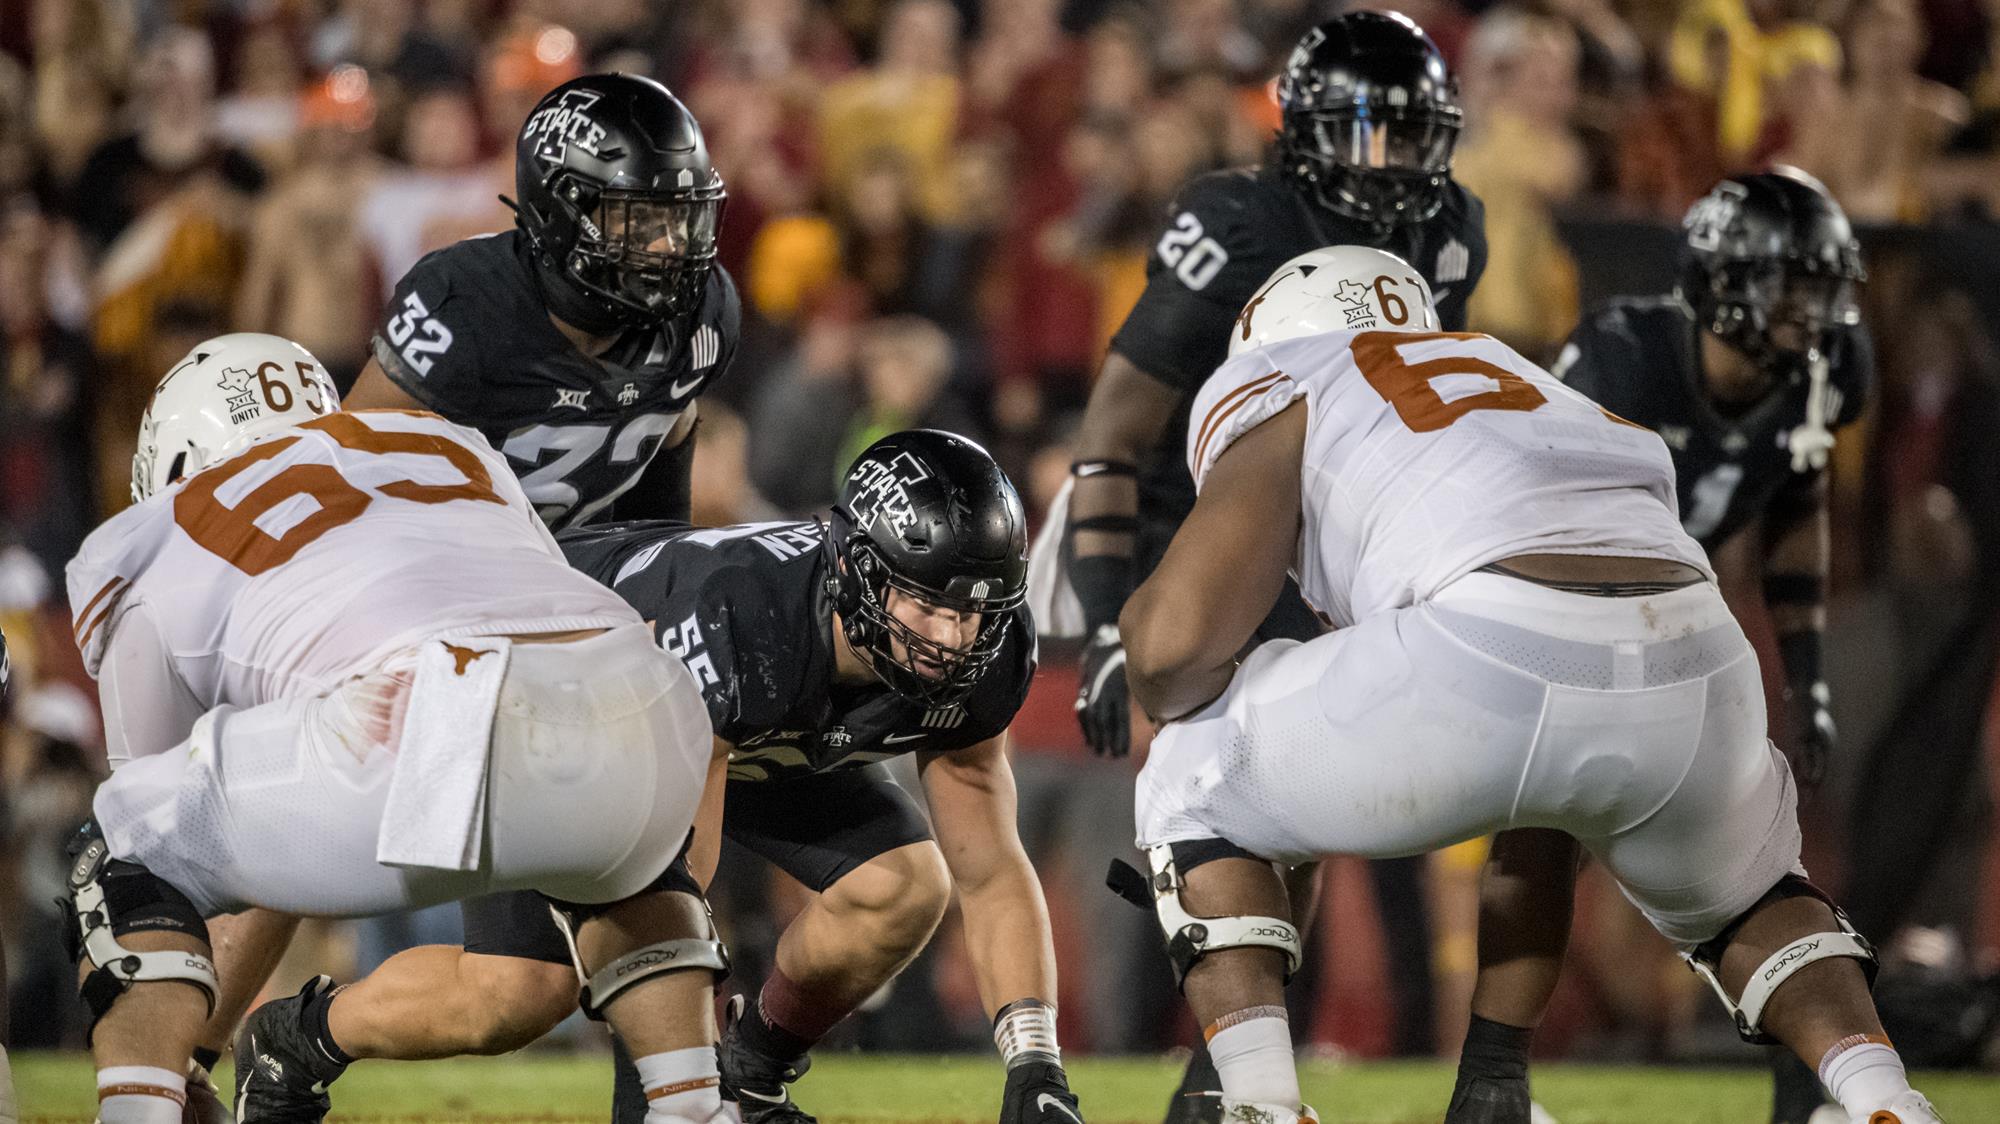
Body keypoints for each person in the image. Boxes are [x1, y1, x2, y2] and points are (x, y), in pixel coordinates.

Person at [1114, 245, 1942, 1124]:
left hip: (1493, 636)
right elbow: (1550, 794)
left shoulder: (1292, 371)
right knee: (1755, 898)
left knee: (1189, 769)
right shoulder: (1528, 377)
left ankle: (1259, 1104)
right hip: (1698, 652)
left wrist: (1182, 698)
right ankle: (1883, 1097)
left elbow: (1172, 649)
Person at [254, 431, 1085, 1124]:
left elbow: (992, 864)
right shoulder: (744, 616)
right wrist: (670, 1073)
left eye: (973, 610)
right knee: (515, 994)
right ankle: (300, 1038)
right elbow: (675, 880)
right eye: (927, 605)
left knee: (904, 886)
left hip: (733, 729)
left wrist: (1034, 1064)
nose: (952, 636)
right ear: (859, 573)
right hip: (548, 691)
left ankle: (752, 1074)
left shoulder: (984, 655)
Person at [201, 69, 744, 1085]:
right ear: (559, 210)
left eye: (678, 217)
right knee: (312, 828)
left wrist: (650, 573)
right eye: (634, 217)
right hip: (435, 605)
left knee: (523, 987)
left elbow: (668, 431)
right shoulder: (467, 303)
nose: (668, 246)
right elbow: (350, 472)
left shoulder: (703, 307)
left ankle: (671, 1071)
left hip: (570, 627)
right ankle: (185, 1051)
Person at [59, 333, 728, 1124]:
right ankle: (696, 1107)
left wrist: (186, 1059)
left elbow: (174, 840)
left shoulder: (163, 526)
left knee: (122, 846)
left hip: (428, 712)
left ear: (175, 460)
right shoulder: (448, 443)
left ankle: (141, 1112)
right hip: (651, 693)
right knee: (628, 868)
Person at [1054, 13, 1484, 1110]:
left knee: (1295, 782)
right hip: (1185, 513)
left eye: (1405, 135)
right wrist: (1109, 620)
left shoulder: (1452, 229)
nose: (1385, 166)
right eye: (1357, 133)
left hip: (1323, 519)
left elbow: (1414, 413)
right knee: (1216, 787)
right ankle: (1208, 1060)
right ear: (1298, 132)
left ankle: (1223, 1076)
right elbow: (1112, 430)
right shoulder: (1238, 218)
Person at [1449, 168, 1871, 1124]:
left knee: (1749, 843)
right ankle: (1490, 1079)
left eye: (1824, 285)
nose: (1816, 313)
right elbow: (1532, 506)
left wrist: (1809, 683)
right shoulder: (1622, 356)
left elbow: (1796, 504)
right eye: (1792, 284)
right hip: (1550, 612)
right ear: (1725, 282)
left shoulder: (1826, 372)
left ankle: (1806, 1086)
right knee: (1545, 827)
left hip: (1682, 624)